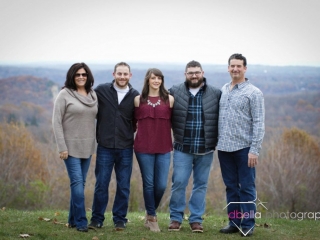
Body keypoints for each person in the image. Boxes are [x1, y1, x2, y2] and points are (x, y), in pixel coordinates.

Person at [168, 60, 221, 233]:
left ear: (202, 73)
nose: (194, 75)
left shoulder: (215, 93)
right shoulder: (175, 91)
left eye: (197, 72)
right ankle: (175, 218)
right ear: (185, 74)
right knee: (179, 183)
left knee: (201, 185)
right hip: (183, 148)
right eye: (190, 72)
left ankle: (196, 220)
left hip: (205, 149)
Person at [217, 53, 265, 237]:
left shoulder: (254, 93)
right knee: (231, 187)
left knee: (246, 187)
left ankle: (248, 224)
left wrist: (255, 150)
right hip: (224, 148)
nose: (235, 69)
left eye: (239, 66)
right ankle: (234, 222)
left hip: (244, 149)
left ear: (245, 68)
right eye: (232, 66)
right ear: (228, 68)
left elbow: (259, 123)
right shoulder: (224, 89)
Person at [89, 62, 139, 231]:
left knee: (123, 185)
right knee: (101, 184)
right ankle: (97, 219)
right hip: (105, 146)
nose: (122, 77)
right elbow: (87, 101)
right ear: (114, 74)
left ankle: (119, 219)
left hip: (125, 147)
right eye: (119, 73)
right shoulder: (101, 91)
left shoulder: (135, 96)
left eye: (125, 74)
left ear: (130, 76)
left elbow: (137, 120)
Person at [52, 62, 98, 233]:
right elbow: (56, 122)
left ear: (88, 77)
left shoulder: (93, 95)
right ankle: (81, 222)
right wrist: (61, 147)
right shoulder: (64, 95)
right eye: (77, 74)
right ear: (72, 76)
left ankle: (72, 219)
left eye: (84, 74)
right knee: (78, 183)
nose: (81, 77)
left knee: (79, 184)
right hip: (70, 148)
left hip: (87, 146)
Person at [134, 68, 174, 232]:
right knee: (148, 183)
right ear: (147, 80)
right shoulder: (138, 99)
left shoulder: (170, 99)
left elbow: (175, 122)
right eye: (153, 78)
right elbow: (131, 122)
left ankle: (150, 211)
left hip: (164, 146)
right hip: (143, 147)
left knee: (161, 185)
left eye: (159, 78)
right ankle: (152, 217)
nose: (156, 81)